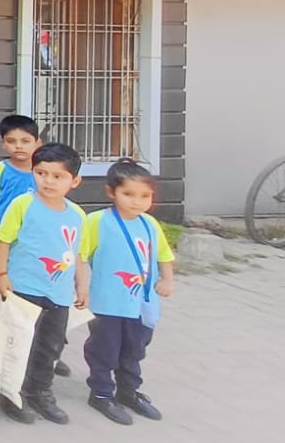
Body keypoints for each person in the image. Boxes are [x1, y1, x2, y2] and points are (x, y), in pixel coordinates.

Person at [0, 142, 86, 425]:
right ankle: (11, 393)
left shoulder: (77, 214)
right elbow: (4, 240)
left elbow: (77, 253)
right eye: (41, 173)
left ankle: (39, 390)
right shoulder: (23, 204)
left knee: (50, 345)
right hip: (23, 289)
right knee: (20, 343)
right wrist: (0, 275)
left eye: (58, 176)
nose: (48, 181)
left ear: (75, 181)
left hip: (58, 293)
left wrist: (82, 286)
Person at [79, 159, 175, 426]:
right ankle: (100, 393)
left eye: (145, 196)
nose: (137, 202)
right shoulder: (96, 221)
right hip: (108, 302)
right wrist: (81, 286)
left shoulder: (150, 224)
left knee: (135, 348)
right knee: (105, 348)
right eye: (129, 194)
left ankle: (128, 391)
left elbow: (164, 255)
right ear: (112, 192)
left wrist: (167, 279)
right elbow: (80, 255)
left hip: (142, 303)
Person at [0, 114, 41, 255]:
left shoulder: (44, 172)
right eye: (11, 141)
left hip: (39, 243)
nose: (18, 146)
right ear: (3, 144)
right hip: (5, 244)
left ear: (37, 143)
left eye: (25, 141)